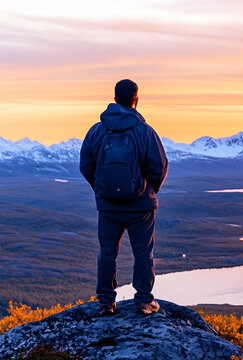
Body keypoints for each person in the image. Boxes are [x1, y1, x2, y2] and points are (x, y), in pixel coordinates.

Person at [80, 79, 168, 316]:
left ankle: (106, 303)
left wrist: (103, 189)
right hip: (141, 208)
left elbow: (86, 165)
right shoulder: (145, 132)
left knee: (107, 253)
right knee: (143, 253)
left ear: (115, 99)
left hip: (108, 207)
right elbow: (159, 167)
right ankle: (143, 302)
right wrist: (148, 190)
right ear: (136, 101)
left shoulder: (97, 131)